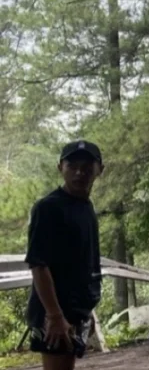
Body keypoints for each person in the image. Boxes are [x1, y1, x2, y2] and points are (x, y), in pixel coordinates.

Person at [25, 141, 104, 370]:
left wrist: (87, 310)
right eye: (73, 166)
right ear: (60, 167)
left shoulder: (85, 206)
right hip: (54, 313)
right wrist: (55, 316)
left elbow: (84, 263)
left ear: (100, 170)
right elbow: (38, 265)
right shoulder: (48, 208)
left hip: (76, 309)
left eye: (87, 167)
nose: (80, 173)